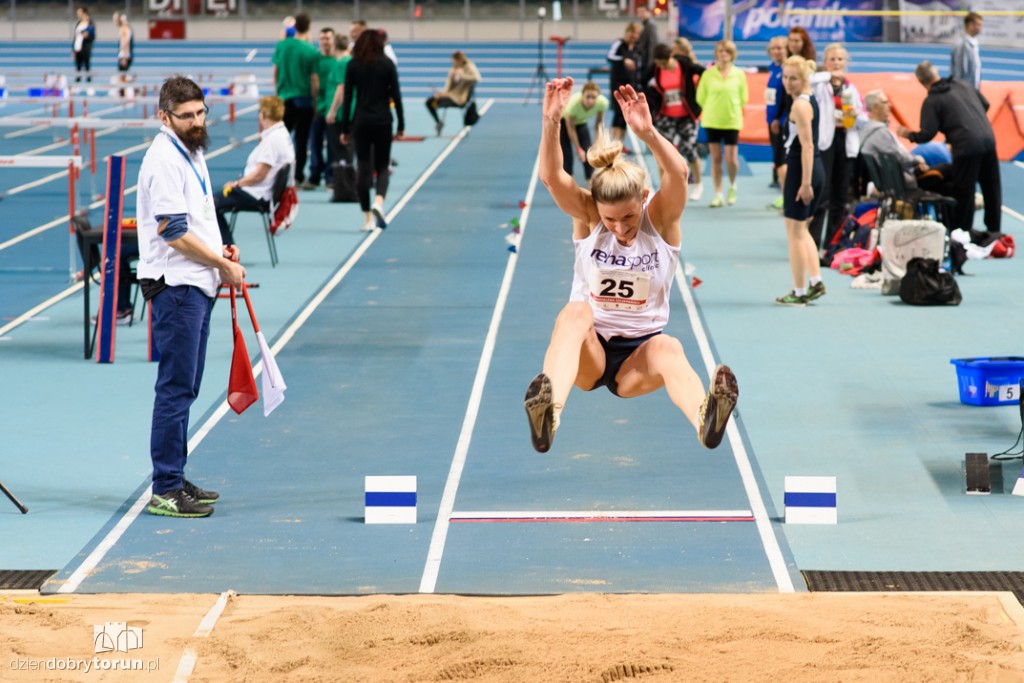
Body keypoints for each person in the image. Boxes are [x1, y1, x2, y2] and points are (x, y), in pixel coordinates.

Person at [524, 77, 738, 455]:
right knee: (574, 312)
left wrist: (649, 134)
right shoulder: (589, 214)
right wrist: (551, 122)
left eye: (628, 217)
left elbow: (678, 175)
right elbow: (552, 179)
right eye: (610, 221)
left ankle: (705, 419)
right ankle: (548, 411)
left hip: (637, 360)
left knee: (669, 346)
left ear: (643, 198)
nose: (620, 229)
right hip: (590, 353)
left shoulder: (661, 219)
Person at [136, 76, 247, 518]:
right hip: (177, 285)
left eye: (201, 113)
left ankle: (176, 476)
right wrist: (221, 265)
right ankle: (165, 486)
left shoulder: (192, 150)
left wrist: (220, 250)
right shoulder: (164, 158)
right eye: (187, 116)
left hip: (197, 280)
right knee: (175, 389)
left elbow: (196, 217)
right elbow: (173, 231)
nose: (197, 121)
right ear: (164, 118)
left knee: (188, 386)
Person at [898, 60, 1001, 233]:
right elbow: (986, 105)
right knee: (991, 187)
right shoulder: (963, 84)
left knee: (965, 191)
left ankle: (962, 232)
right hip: (988, 138)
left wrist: (909, 134)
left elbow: (927, 134)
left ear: (921, 82)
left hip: (965, 145)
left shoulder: (932, 100)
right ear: (937, 72)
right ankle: (994, 230)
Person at [340, 29, 405, 232]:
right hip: (383, 120)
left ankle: (367, 218)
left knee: (364, 166)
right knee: (383, 165)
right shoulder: (387, 64)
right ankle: (379, 200)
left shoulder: (353, 65)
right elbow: (396, 95)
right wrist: (401, 124)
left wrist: (345, 127)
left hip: (361, 121)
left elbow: (348, 98)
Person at [776, 56, 826, 307]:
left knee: (794, 233)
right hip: (810, 169)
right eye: (785, 77)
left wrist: (805, 183)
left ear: (805, 78)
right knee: (802, 230)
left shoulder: (800, 106)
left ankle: (798, 291)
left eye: (793, 78)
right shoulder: (807, 101)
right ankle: (815, 281)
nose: (788, 83)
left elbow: (808, 145)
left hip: (802, 170)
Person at [214, 95, 296, 245]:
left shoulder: (273, 140)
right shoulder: (282, 134)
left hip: (258, 194)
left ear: (263, 114)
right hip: (262, 191)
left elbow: (259, 175)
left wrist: (237, 184)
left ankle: (229, 251)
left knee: (212, 204)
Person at [807, 43, 865, 251]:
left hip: (845, 143)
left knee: (840, 199)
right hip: (825, 146)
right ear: (825, 62)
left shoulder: (851, 88)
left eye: (840, 59)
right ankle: (812, 246)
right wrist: (828, 75)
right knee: (821, 197)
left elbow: (863, 119)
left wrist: (857, 117)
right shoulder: (818, 84)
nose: (837, 63)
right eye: (832, 59)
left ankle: (833, 246)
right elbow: (808, 80)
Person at [860, 89, 954, 196]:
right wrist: (917, 160)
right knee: (949, 169)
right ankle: (969, 203)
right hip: (901, 182)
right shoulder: (880, 132)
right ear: (875, 107)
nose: (889, 106)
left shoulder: (866, 130)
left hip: (893, 179)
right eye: (885, 102)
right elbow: (900, 157)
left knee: (947, 187)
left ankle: (965, 204)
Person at [696, 39, 748, 208]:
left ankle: (732, 186)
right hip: (712, 120)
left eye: (726, 51)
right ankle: (718, 193)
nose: (723, 54)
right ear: (716, 53)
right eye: (720, 51)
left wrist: (731, 107)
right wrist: (712, 107)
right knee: (716, 158)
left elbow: (743, 97)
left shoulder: (739, 74)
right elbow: (700, 97)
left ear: (732, 54)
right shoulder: (708, 74)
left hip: (732, 120)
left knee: (731, 158)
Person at [272, 13, 319, 188]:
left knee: (281, 138)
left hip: (284, 98)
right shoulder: (310, 50)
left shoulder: (282, 46)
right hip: (303, 100)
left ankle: (277, 174)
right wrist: (315, 101)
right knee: (301, 140)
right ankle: (298, 175)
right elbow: (314, 80)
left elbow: (275, 73)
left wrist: (278, 93)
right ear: (308, 27)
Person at [651, 43, 704, 200]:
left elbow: (704, 73)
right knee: (664, 152)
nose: (663, 67)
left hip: (687, 115)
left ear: (671, 57)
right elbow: (643, 82)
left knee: (689, 148)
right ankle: (664, 188)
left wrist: (698, 95)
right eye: (659, 64)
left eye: (665, 63)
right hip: (666, 116)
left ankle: (698, 184)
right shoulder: (655, 69)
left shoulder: (685, 64)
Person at [307, 27, 338, 190]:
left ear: (333, 40)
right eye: (322, 39)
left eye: (328, 38)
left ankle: (330, 177)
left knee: (333, 145)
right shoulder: (315, 58)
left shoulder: (337, 60)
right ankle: (314, 177)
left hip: (333, 110)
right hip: (318, 108)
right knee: (315, 144)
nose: (325, 42)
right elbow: (313, 82)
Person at [558, 81, 608, 182]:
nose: (590, 100)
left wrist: (598, 144)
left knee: (588, 156)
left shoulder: (602, 103)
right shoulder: (574, 104)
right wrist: (578, 149)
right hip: (564, 123)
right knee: (567, 156)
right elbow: (571, 128)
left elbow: (598, 124)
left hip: (581, 122)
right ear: (582, 95)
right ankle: (568, 184)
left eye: (593, 97)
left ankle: (591, 184)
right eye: (588, 97)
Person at [425, 51, 482, 136]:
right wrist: (441, 94)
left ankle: (439, 116)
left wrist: (462, 75)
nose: (453, 64)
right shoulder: (453, 69)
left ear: (459, 60)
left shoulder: (469, 66)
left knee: (436, 103)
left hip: (460, 99)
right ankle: (438, 122)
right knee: (430, 102)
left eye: (454, 62)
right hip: (450, 96)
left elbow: (477, 78)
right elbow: (448, 87)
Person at [606, 22, 641, 148]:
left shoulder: (636, 48)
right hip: (618, 84)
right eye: (632, 33)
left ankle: (620, 144)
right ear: (627, 32)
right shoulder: (619, 44)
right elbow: (609, 56)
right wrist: (623, 60)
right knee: (618, 112)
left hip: (630, 84)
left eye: (637, 34)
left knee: (626, 113)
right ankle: (614, 143)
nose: (634, 36)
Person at [325, 34, 353, 174]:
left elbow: (341, 88)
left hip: (341, 114)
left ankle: (344, 185)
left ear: (334, 46)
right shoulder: (351, 61)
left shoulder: (342, 63)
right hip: (348, 112)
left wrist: (332, 110)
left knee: (341, 151)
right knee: (346, 150)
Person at [765, 36, 788, 191]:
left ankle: (786, 195)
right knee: (777, 157)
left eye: (780, 48)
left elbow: (786, 98)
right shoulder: (772, 68)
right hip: (771, 118)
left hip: (782, 121)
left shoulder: (787, 69)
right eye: (773, 48)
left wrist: (779, 119)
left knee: (782, 159)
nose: (776, 51)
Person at [951, 11, 983, 90]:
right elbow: (960, 71)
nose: (980, 28)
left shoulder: (972, 43)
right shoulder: (963, 45)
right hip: (965, 91)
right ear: (970, 25)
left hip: (970, 90)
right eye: (978, 25)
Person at [634, 6, 659, 86]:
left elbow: (653, 44)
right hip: (645, 59)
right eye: (638, 12)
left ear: (648, 13)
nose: (640, 14)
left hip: (648, 61)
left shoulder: (650, 25)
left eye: (642, 12)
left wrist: (651, 62)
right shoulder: (645, 25)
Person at [72, 5, 95, 84]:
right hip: (77, 47)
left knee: (87, 66)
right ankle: (77, 84)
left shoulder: (90, 23)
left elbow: (93, 36)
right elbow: (75, 37)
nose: (78, 14)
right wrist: (73, 49)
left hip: (85, 48)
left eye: (79, 12)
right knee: (78, 67)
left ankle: (89, 84)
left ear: (84, 13)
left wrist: (87, 36)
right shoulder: (78, 23)